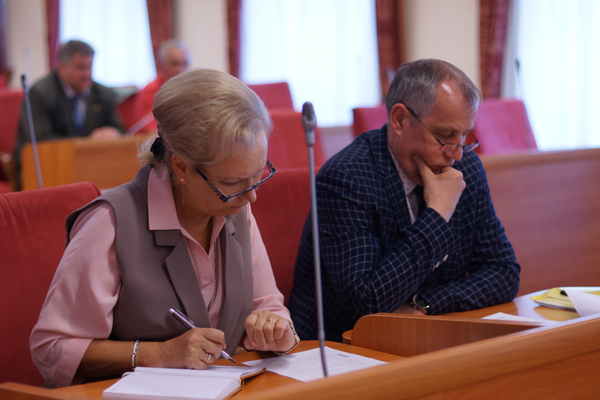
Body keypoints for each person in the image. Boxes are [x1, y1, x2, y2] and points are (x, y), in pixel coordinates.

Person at [30, 69, 299, 387]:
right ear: (181, 167)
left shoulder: (236, 209)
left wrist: (277, 331)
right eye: (232, 182)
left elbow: (269, 307)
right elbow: (52, 348)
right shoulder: (111, 223)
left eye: (257, 176)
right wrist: (158, 353)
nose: (251, 196)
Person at [288, 59, 521, 341]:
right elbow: (368, 303)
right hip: (339, 349)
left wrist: (424, 304)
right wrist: (437, 214)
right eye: (445, 135)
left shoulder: (465, 169)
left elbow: (503, 272)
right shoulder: (346, 178)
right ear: (399, 120)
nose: (457, 153)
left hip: (422, 338)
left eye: (464, 135)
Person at [14, 40, 122, 188]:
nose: (87, 74)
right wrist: (88, 142)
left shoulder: (103, 94)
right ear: (62, 67)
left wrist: (113, 133)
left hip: (90, 169)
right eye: (80, 67)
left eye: (90, 67)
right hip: (48, 168)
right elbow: (41, 140)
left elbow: (120, 130)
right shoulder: (39, 95)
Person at [135, 40, 190, 132]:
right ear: (161, 65)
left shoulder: (190, 89)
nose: (181, 69)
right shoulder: (151, 90)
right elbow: (150, 128)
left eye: (185, 64)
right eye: (175, 64)